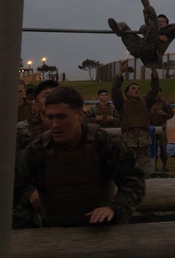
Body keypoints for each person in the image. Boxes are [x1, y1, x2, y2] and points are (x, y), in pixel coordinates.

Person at [13, 86, 145, 228]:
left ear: (80, 115)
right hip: (54, 232)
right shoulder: (38, 150)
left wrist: (114, 208)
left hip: (102, 230)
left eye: (62, 117)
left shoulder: (104, 143)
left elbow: (134, 182)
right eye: (50, 117)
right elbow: (10, 186)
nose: (55, 125)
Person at [107, 0, 175, 68]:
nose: (160, 22)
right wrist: (158, 35)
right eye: (158, 20)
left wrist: (159, 32)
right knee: (124, 26)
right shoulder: (151, 29)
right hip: (138, 49)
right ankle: (118, 30)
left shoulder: (170, 32)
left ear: (167, 23)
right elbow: (143, 28)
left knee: (153, 28)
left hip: (152, 54)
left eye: (162, 22)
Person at [112, 60, 154, 176]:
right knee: (129, 169)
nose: (137, 90)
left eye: (138, 88)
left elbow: (154, 91)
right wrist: (121, 71)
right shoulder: (122, 105)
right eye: (133, 88)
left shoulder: (145, 103)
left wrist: (154, 72)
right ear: (127, 93)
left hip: (144, 140)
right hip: (129, 140)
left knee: (146, 170)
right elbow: (115, 90)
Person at [145, 70, 175, 172]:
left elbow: (172, 113)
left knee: (163, 147)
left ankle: (165, 165)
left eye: (159, 92)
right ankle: (154, 165)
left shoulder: (164, 103)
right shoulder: (148, 103)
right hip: (151, 127)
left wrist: (165, 115)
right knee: (152, 147)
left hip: (161, 127)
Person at [16, 79, 59, 152]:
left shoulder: (72, 127)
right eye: (47, 96)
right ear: (36, 104)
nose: (53, 99)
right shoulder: (22, 130)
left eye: (57, 95)